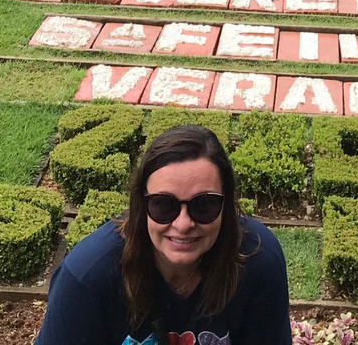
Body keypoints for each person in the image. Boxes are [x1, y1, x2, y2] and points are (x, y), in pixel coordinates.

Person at [34, 124, 291, 345]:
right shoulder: (87, 276)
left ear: (226, 204)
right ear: (140, 205)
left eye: (204, 205)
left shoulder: (258, 259)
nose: (183, 223)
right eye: (163, 205)